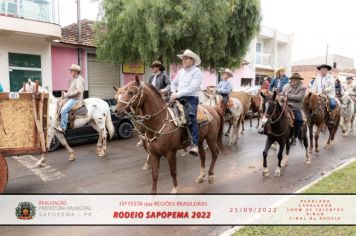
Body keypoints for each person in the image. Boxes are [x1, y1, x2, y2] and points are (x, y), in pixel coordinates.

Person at [171, 49, 203, 156]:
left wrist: (178, 94)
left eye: (186, 58)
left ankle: (194, 145)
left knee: (191, 116)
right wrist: (174, 92)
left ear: (192, 60)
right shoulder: (180, 72)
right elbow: (173, 83)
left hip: (191, 98)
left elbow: (192, 88)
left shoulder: (197, 71)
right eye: (183, 58)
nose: (183, 60)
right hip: (178, 96)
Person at [55, 64, 85, 133]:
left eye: (72, 71)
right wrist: (64, 95)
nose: (70, 72)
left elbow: (78, 91)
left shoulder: (79, 79)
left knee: (63, 110)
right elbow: (72, 90)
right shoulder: (75, 79)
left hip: (75, 99)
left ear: (76, 72)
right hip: (71, 98)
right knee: (58, 103)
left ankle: (63, 128)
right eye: (71, 70)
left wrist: (67, 94)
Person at [281, 73, 306, 146]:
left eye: (295, 79)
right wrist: (282, 97)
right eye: (292, 79)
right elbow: (282, 94)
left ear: (298, 80)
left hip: (295, 107)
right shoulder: (286, 86)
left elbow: (299, 98)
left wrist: (287, 96)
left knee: (299, 120)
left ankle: (294, 137)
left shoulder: (302, 87)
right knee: (274, 113)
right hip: (284, 105)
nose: (293, 80)